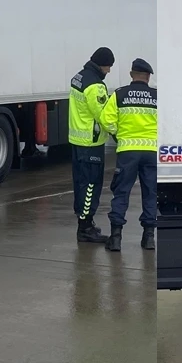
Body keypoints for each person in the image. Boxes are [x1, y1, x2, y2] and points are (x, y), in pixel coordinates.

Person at [100, 58, 158, 251]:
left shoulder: (120, 94)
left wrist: (119, 135)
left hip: (128, 152)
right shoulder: (158, 96)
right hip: (151, 152)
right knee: (150, 193)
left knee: (121, 192)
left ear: (132, 74)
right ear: (148, 77)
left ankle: (116, 238)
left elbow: (106, 121)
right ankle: (148, 238)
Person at [69, 47, 114, 243]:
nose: (109, 71)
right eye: (109, 66)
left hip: (77, 140)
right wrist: (118, 133)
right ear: (102, 64)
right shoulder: (96, 86)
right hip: (91, 142)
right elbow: (104, 116)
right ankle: (85, 227)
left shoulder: (78, 77)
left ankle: (84, 222)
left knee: (80, 183)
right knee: (90, 185)